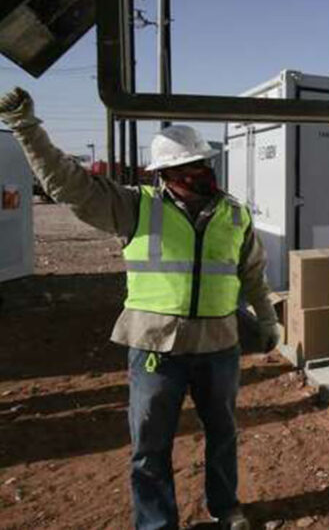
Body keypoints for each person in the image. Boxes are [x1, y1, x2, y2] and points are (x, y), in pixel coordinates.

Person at [0, 87, 279, 530]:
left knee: (223, 435)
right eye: (186, 167)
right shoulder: (135, 207)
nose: (198, 172)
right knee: (150, 446)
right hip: (155, 350)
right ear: (165, 174)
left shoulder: (234, 214)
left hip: (219, 347)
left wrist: (266, 319)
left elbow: (253, 273)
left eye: (201, 163)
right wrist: (26, 128)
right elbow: (68, 184)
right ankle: (155, 524)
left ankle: (225, 508)